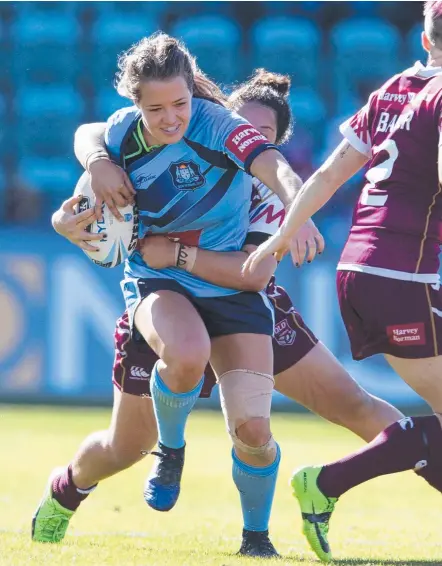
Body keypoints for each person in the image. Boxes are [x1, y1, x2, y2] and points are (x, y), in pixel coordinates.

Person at [33, 64, 404, 558]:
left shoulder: (275, 197)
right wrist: (73, 210)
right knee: (126, 447)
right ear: (221, 120)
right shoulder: (185, 142)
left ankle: (423, 452)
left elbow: (251, 276)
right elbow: (96, 138)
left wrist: (179, 254)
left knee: (324, 411)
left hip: (241, 298)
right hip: (164, 297)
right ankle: (67, 490)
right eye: (241, 127)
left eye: (262, 136)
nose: (247, 141)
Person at [243, 2, 442, 562]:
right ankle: (326, 484)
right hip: (403, 276)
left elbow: (330, 172)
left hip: (359, 271)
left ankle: (325, 486)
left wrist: (277, 243)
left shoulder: (395, 89)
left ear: (425, 41)